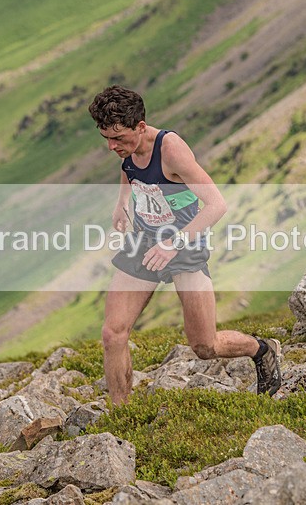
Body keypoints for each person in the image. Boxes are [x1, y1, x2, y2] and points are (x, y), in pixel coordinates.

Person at [88, 85, 282, 405]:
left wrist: (173, 244)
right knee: (113, 334)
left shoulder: (171, 149)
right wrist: (122, 202)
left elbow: (216, 204)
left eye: (118, 138)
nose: (111, 146)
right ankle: (120, 415)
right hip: (144, 242)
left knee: (205, 347)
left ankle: (261, 349)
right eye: (106, 138)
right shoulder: (127, 147)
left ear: (141, 126)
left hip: (185, 245)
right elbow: (130, 170)